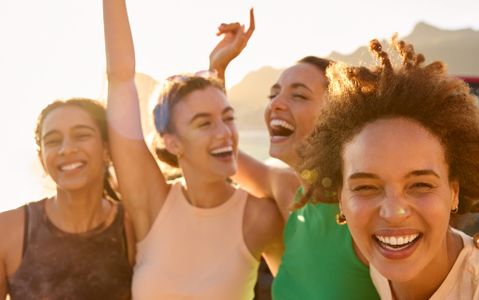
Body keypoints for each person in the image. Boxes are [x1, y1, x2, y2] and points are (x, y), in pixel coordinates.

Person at [209, 17, 479, 299]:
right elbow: (220, 152)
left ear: (338, 116)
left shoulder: (377, 227)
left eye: (298, 95)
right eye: (273, 94)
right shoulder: (290, 193)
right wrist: (217, 69)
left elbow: (453, 257)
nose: (276, 104)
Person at [298, 37, 479, 299]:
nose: (394, 213)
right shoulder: (369, 260)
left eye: (420, 184)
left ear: (454, 191)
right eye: (365, 187)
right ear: (340, 197)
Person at [103, 0, 282, 299]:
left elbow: (300, 287)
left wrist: (217, 70)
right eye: (204, 123)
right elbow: (120, 78)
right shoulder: (154, 206)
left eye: (229, 118)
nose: (225, 133)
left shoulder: (259, 217)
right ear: (171, 141)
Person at [0, 98, 135, 299]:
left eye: (81, 135)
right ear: (42, 159)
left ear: (106, 149)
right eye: (53, 141)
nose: (66, 149)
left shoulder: (133, 227)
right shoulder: (8, 231)